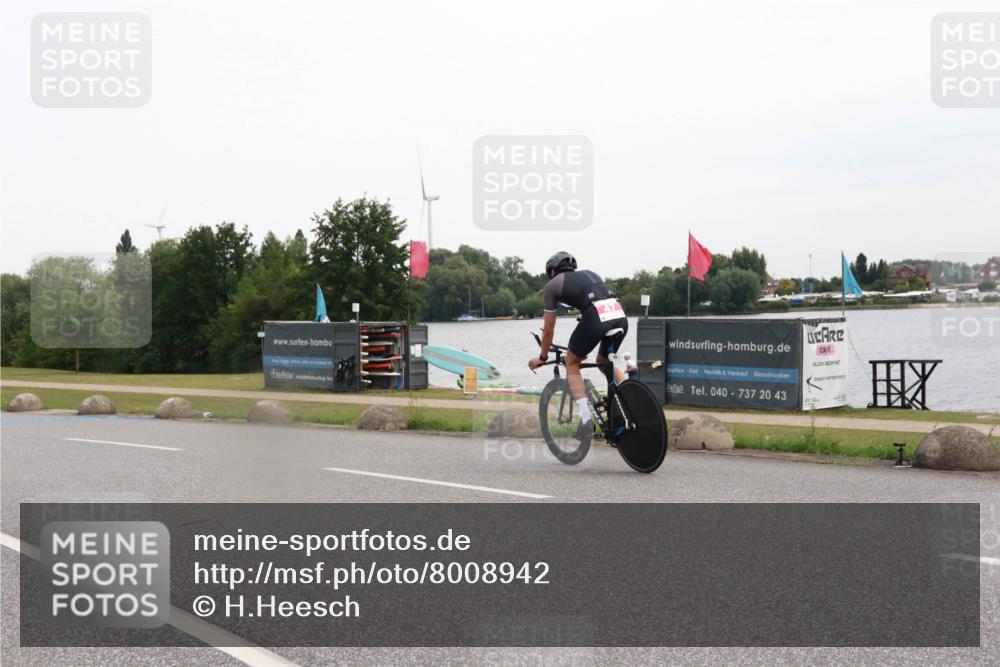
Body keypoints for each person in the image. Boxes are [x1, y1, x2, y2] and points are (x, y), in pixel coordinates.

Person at [528, 251, 628, 440]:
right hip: (620, 316)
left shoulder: (552, 285)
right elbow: (596, 303)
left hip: (596, 319)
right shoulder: (591, 274)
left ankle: (585, 421)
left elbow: (548, 330)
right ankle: (631, 398)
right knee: (604, 362)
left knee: (571, 363)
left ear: (551, 271)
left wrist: (542, 357)